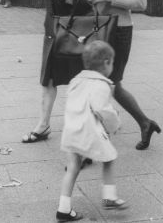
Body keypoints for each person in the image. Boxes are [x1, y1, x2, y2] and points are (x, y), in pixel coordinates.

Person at [85, 0, 161, 150]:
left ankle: (96, 134)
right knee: (110, 84)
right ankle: (145, 123)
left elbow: (141, 2)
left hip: (119, 30)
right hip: (99, 28)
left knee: (105, 83)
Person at [22, 0, 92, 144]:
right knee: (48, 79)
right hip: (52, 30)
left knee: (78, 82)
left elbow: (91, 3)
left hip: (73, 32)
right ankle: (43, 125)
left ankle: (85, 128)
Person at [56, 41, 127, 222]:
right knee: (109, 158)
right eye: (112, 62)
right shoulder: (101, 85)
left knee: (72, 167)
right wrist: (115, 124)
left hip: (71, 130)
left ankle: (63, 208)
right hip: (88, 131)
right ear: (105, 62)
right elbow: (102, 109)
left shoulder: (75, 81)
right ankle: (109, 196)